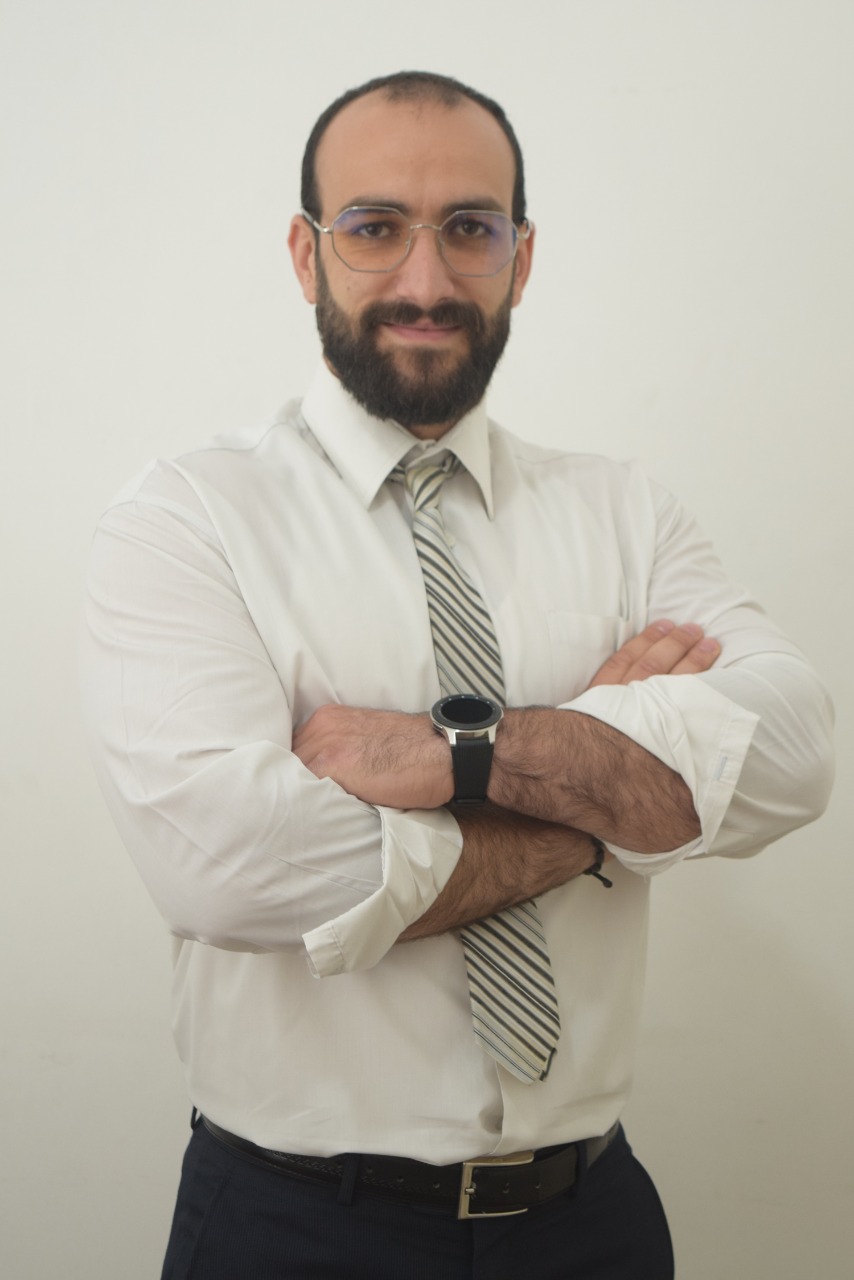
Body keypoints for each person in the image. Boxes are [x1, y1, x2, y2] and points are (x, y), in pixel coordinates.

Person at [80, 71, 834, 1279]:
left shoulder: (623, 511)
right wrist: (605, 800)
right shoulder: (187, 518)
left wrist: (448, 754)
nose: (425, 281)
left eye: (469, 230)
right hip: (293, 1227)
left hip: (592, 1222)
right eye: (375, 227)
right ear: (306, 252)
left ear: (519, 259)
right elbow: (227, 866)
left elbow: (792, 752)